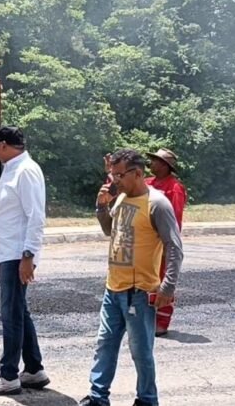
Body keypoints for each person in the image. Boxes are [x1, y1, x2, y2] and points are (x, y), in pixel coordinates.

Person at [78, 149, 184, 406]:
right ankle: (97, 397)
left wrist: (167, 288)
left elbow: (174, 247)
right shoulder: (121, 197)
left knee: (141, 352)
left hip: (139, 292)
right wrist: (101, 207)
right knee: (104, 345)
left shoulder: (157, 203)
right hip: (113, 288)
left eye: (118, 175)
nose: (114, 180)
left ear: (137, 174)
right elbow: (109, 231)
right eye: (112, 174)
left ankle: (147, 400)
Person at [0, 126, 49, 396]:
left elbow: (35, 217)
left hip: (18, 254)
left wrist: (28, 257)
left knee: (11, 314)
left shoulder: (26, 171)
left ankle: (8, 375)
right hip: (9, 253)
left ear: (4, 145)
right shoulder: (12, 168)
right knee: (19, 311)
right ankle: (33, 369)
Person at [144, 148, 186, 337]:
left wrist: (167, 241)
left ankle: (162, 322)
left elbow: (175, 218)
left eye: (154, 161)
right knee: (148, 280)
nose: (151, 164)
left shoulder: (174, 187)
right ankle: (147, 318)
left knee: (163, 279)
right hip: (147, 242)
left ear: (164, 165)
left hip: (162, 241)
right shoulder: (147, 183)